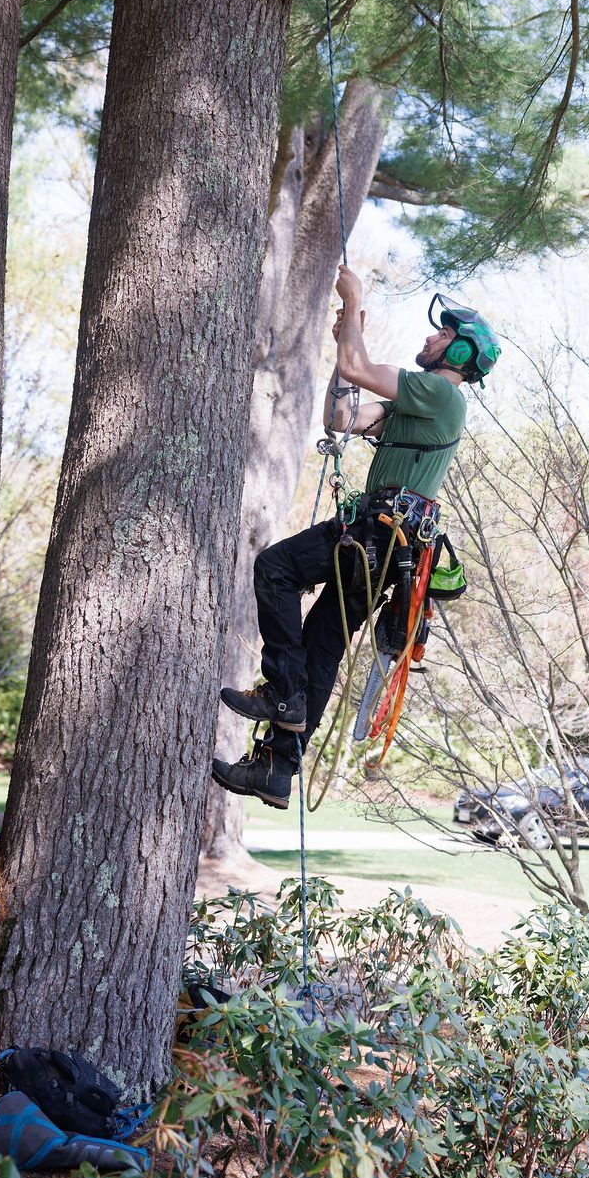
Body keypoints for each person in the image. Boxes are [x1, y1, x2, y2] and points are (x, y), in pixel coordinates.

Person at [211, 263, 501, 810]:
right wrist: (348, 331)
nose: (428, 337)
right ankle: (276, 767)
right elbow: (340, 415)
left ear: (459, 353)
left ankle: (282, 691)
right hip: (387, 549)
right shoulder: (415, 405)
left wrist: (353, 299)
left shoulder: (441, 396)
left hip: (378, 534)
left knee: (274, 568)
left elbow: (357, 363)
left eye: (440, 334)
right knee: (322, 648)